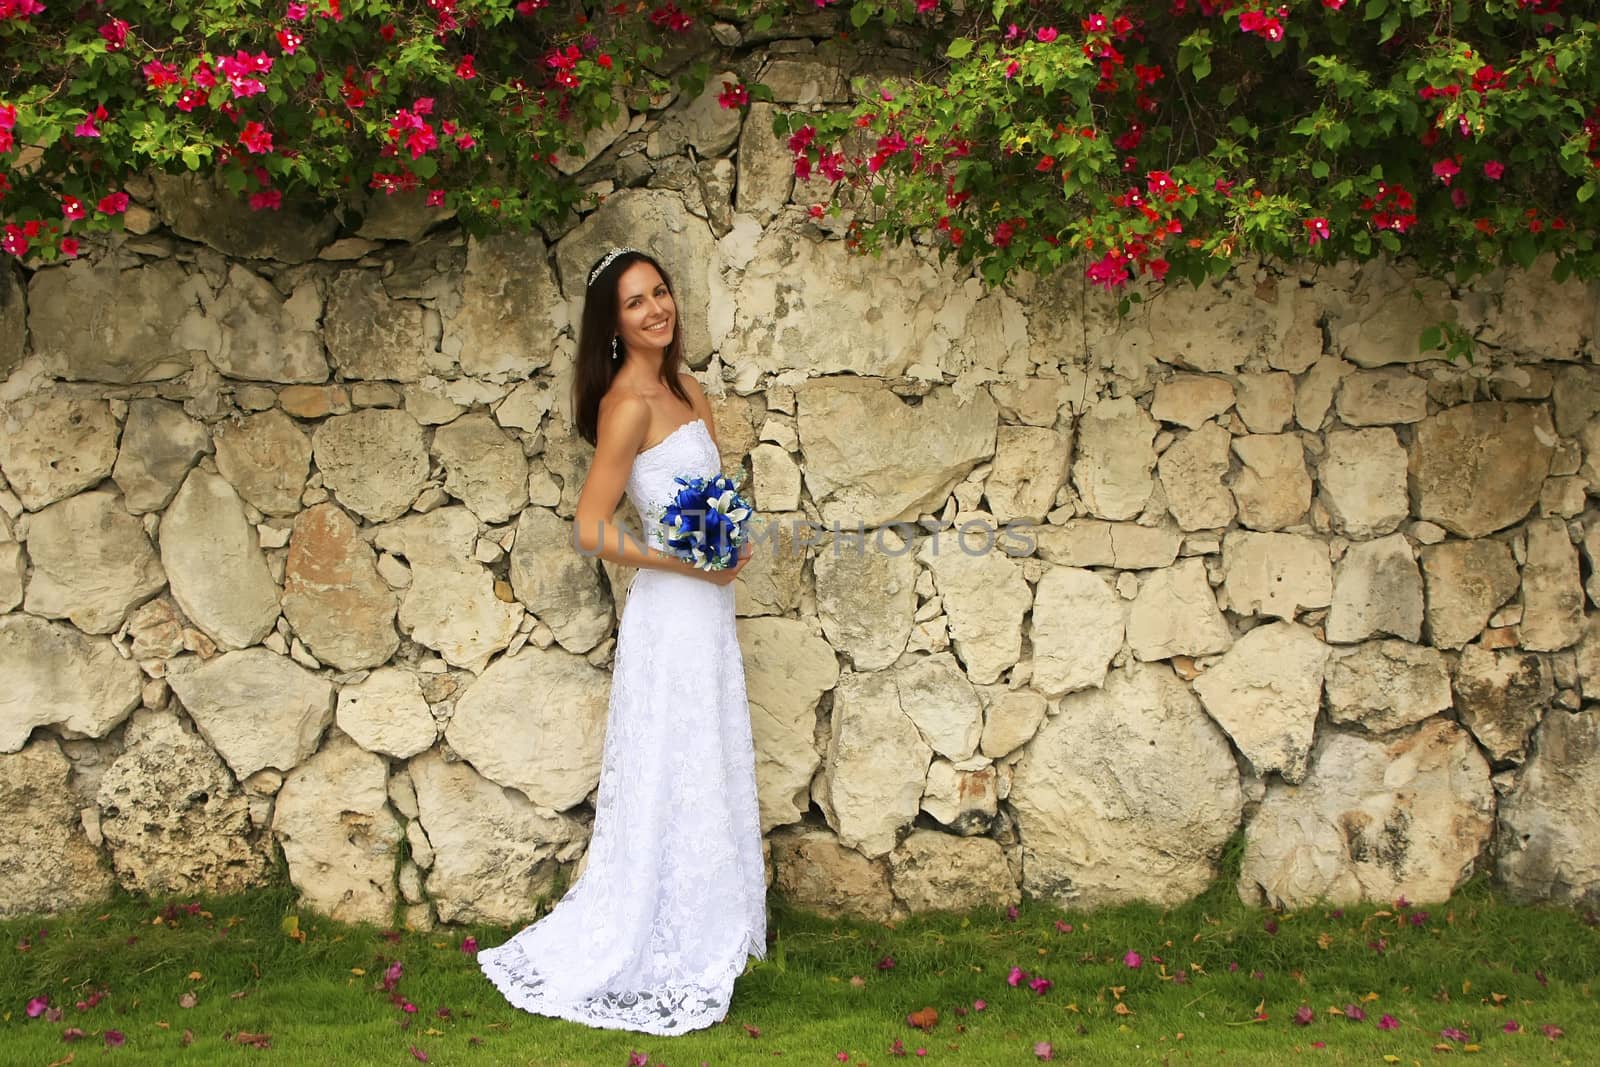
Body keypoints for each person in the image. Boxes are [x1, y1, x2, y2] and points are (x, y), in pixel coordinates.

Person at [476, 248, 767, 1036]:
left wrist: (728, 539)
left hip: (708, 607)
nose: (656, 310)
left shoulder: (689, 389)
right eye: (636, 302)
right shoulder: (626, 404)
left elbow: (711, 494)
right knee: (669, 756)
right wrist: (680, 559)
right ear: (613, 322)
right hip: (670, 608)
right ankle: (655, 925)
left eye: (661, 293)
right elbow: (592, 526)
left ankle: (712, 919)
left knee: (705, 749)